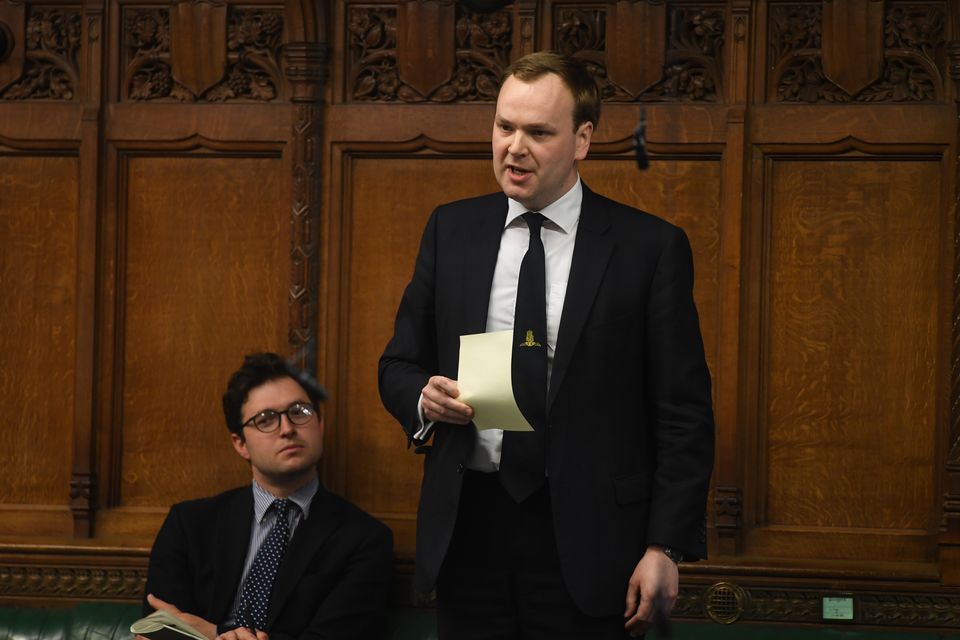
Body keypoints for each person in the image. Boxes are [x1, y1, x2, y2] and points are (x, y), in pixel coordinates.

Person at [378, 51, 714, 639]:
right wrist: (423, 400)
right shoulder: (450, 230)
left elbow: (683, 412)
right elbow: (399, 364)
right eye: (504, 127)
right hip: (469, 530)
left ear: (582, 139)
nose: (514, 147)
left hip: (591, 540)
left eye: (538, 132)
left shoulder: (648, 249)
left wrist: (666, 545)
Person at [142, 352, 393, 640]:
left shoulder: (364, 539)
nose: (287, 429)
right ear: (240, 444)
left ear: (320, 425)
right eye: (266, 420)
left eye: (299, 412)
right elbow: (158, 629)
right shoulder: (188, 525)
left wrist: (214, 632)